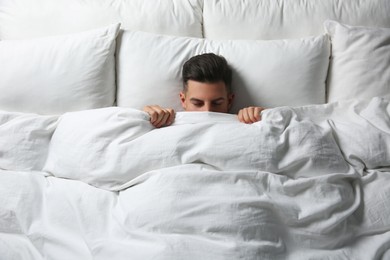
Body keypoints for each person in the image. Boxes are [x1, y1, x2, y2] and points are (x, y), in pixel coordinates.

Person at [143, 53, 265, 128]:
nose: (207, 111)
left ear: (230, 101)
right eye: (197, 103)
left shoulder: (248, 123)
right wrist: (144, 118)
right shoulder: (166, 124)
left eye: (217, 103)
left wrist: (264, 116)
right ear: (183, 100)